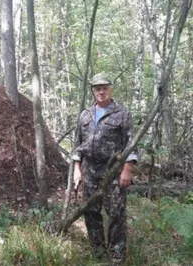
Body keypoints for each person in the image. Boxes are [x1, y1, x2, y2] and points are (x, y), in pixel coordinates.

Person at [71, 73, 138, 265]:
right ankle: (98, 252)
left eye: (104, 88)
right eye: (97, 88)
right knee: (91, 212)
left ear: (111, 89)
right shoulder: (85, 114)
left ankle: (116, 256)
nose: (101, 92)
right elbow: (78, 145)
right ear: (93, 91)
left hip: (113, 172)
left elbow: (130, 144)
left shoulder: (121, 113)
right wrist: (77, 169)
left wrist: (127, 170)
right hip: (90, 171)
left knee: (116, 213)